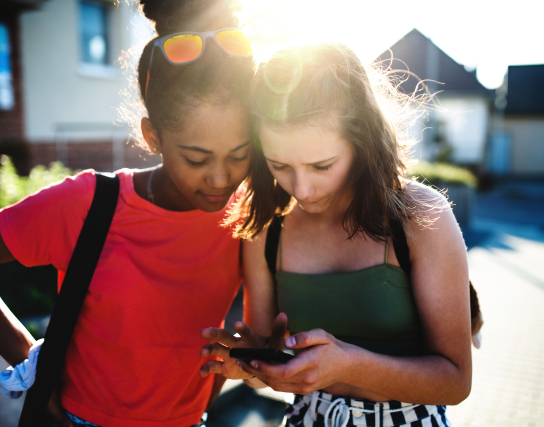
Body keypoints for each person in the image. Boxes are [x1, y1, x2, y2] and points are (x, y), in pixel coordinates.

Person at [0, 1, 255, 426]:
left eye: (239, 155)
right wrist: (31, 362)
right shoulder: (89, 203)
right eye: (197, 159)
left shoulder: (247, 213)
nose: (221, 178)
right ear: (153, 136)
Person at [200, 42, 472, 427]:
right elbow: (266, 374)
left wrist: (348, 365)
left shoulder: (420, 217)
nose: (302, 188)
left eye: (321, 166)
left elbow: (457, 381)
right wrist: (254, 363)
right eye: (279, 164)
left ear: (362, 143)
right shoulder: (265, 227)